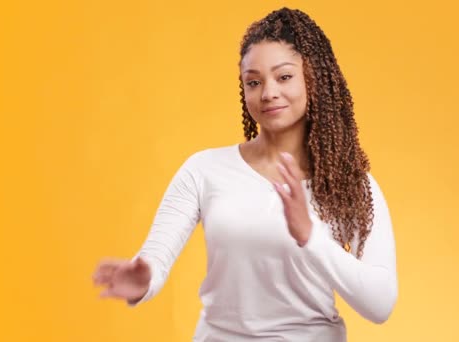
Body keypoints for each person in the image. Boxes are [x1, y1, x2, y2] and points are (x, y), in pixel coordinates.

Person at [93, 7, 398, 341]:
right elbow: (155, 257)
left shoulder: (350, 185)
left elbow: (380, 303)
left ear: (315, 78)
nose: (268, 93)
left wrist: (311, 238)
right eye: (254, 82)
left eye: (284, 77)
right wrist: (144, 279)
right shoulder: (204, 170)